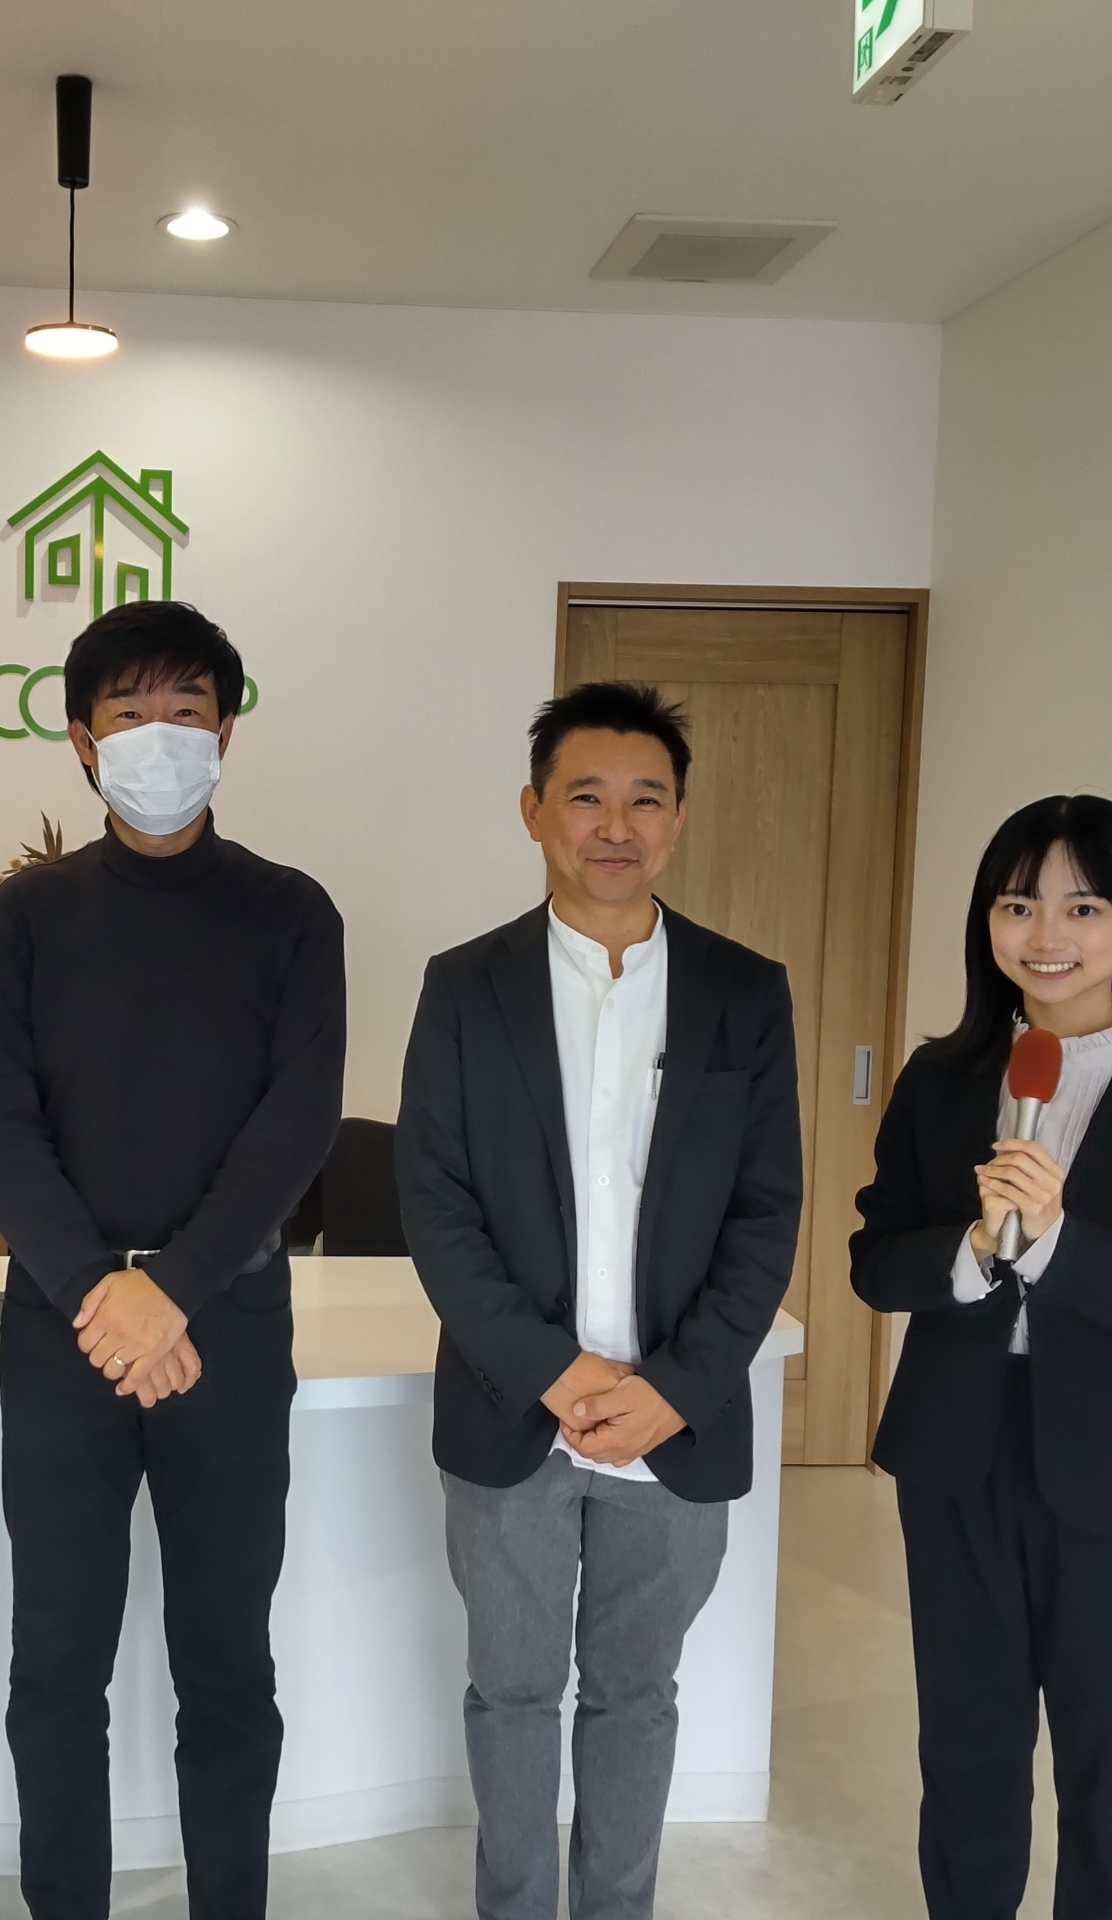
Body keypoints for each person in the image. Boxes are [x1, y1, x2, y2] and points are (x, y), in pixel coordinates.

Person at [0, 600, 346, 1920]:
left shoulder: (290, 913)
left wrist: (168, 1290)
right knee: (56, 1663)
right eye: (130, 713)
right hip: (62, 1327)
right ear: (81, 740)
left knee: (226, 1663)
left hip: (225, 1321)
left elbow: (297, 1122)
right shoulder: (26, 916)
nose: (159, 736)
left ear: (226, 733)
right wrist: (98, 1291)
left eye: (187, 711)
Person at [394, 680, 804, 1920]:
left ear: (677, 819)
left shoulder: (744, 991)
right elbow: (436, 1210)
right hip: (514, 1411)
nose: (615, 826)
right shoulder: (464, 987)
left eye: (645, 800)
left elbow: (764, 1215)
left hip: (677, 1419)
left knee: (637, 1698)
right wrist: (558, 1373)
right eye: (586, 797)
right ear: (533, 812)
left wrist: (672, 1389)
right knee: (510, 1695)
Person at [850, 794, 1112, 1920]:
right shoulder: (939, 1080)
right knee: (967, 1760)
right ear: (987, 919)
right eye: (1017, 904)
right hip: (956, 1462)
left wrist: (1063, 1241)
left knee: (1106, 1779)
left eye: (1081, 907)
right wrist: (974, 1251)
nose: (1045, 935)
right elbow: (875, 1263)